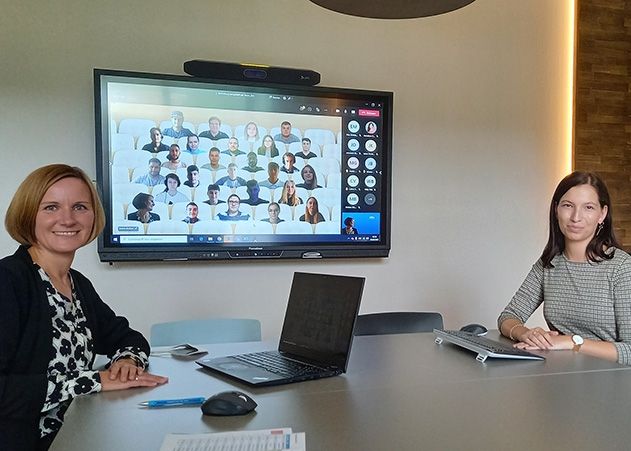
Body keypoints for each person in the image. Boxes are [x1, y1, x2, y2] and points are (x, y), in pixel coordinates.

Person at [0, 164, 167, 449]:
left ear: (93, 216)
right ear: (29, 215)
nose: (67, 219)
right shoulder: (9, 281)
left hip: (79, 432)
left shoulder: (77, 284)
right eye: (51, 207)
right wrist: (94, 380)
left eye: (79, 207)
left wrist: (127, 361)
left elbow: (128, 338)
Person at [497, 171, 631, 365]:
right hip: (561, 374)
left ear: (602, 214)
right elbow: (508, 317)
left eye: (589, 207)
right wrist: (526, 333)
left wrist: (572, 342)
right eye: (568, 205)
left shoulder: (622, 268)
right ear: (556, 209)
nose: (576, 217)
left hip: (611, 381)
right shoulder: (549, 263)